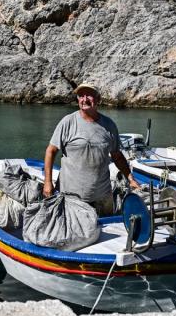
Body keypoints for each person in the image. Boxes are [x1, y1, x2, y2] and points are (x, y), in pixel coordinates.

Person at [43, 83, 140, 217]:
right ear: (77, 100)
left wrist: (130, 178)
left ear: (98, 99)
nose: (85, 99)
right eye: (81, 96)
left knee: (108, 233)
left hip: (103, 197)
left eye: (89, 95)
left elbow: (117, 156)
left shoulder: (109, 125)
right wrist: (47, 182)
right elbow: (51, 151)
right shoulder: (68, 122)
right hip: (72, 198)